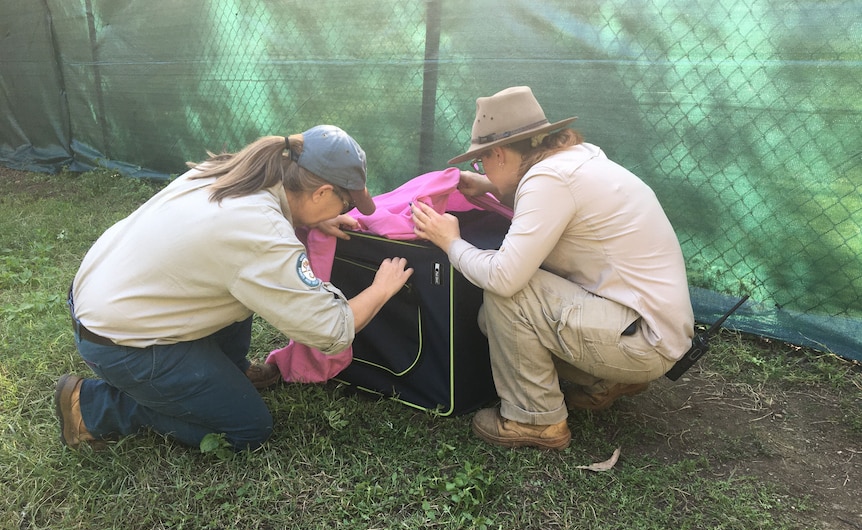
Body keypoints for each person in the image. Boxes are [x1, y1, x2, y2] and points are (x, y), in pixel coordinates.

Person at [56, 125, 413, 451]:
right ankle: (92, 407)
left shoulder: (238, 172)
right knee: (248, 429)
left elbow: (246, 242)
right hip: (121, 342)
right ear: (321, 192)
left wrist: (316, 218)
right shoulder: (259, 231)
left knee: (243, 283)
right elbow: (329, 330)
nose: (349, 208)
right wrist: (381, 288)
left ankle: (229, 373)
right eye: (347, 201)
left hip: (107, 297)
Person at [411, 87, 694, 450]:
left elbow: (503, 277)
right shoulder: (578, 159)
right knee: (491, 319)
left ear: (498, 153)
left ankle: (534, 419)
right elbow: (555, 203)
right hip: (656, 327)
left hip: (643, 340)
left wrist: (449, 241)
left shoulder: (549, 180)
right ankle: (605, 380)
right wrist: (492, 188)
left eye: (481, 163)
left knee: (510, 297)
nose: (481, 170)